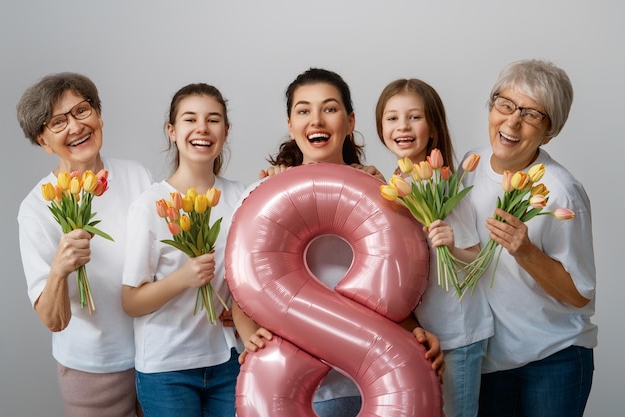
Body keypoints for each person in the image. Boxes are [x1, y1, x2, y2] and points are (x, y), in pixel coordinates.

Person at [232, 68, 444, 417]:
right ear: (290, 124)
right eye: (303, 110)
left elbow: (392, 291)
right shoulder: (260, 198)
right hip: (290, 389)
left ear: (350, 121)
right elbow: (242, 284)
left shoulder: (383, 195)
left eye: (329, 108)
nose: (316, 119)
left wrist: (415, 334)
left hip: (381, 384)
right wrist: (247, 334)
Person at [461, 59, 597, 417]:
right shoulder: (468, 167)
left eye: (532, 114)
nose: (512, 121)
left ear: (550, 132)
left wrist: (525, 251)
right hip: (489, 359)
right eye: (504, 104)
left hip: (553, 359)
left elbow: (580, 295)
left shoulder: (561, 192)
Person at [16, 72, 153, 417]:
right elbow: (53, 320)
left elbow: (167, 262)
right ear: (44, 142)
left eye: (82, 111)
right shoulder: (36, 208)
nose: (76, 127)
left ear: (99, 115)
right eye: (58, 122)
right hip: (94, 368)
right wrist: (60, 268)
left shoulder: (138, 176)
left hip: (158, 354)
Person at [121, 83, 244, 417]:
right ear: (172, 131)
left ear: (226, 131)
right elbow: (131, 301)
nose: (202, 128)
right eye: (190, 119)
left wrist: (243, 307)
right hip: (167, 368)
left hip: (226, 360)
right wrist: (184, 278)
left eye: (213, 120)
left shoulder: (241, 197)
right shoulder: (151, 205)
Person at [375, 78, 494, 417]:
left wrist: (452, 245)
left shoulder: (441, 186)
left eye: (414, 117)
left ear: (433, 128)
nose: (402, 127)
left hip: (458, 335)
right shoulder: (394, 183)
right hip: (421, 333)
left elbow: (477, 261)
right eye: (392, 118)